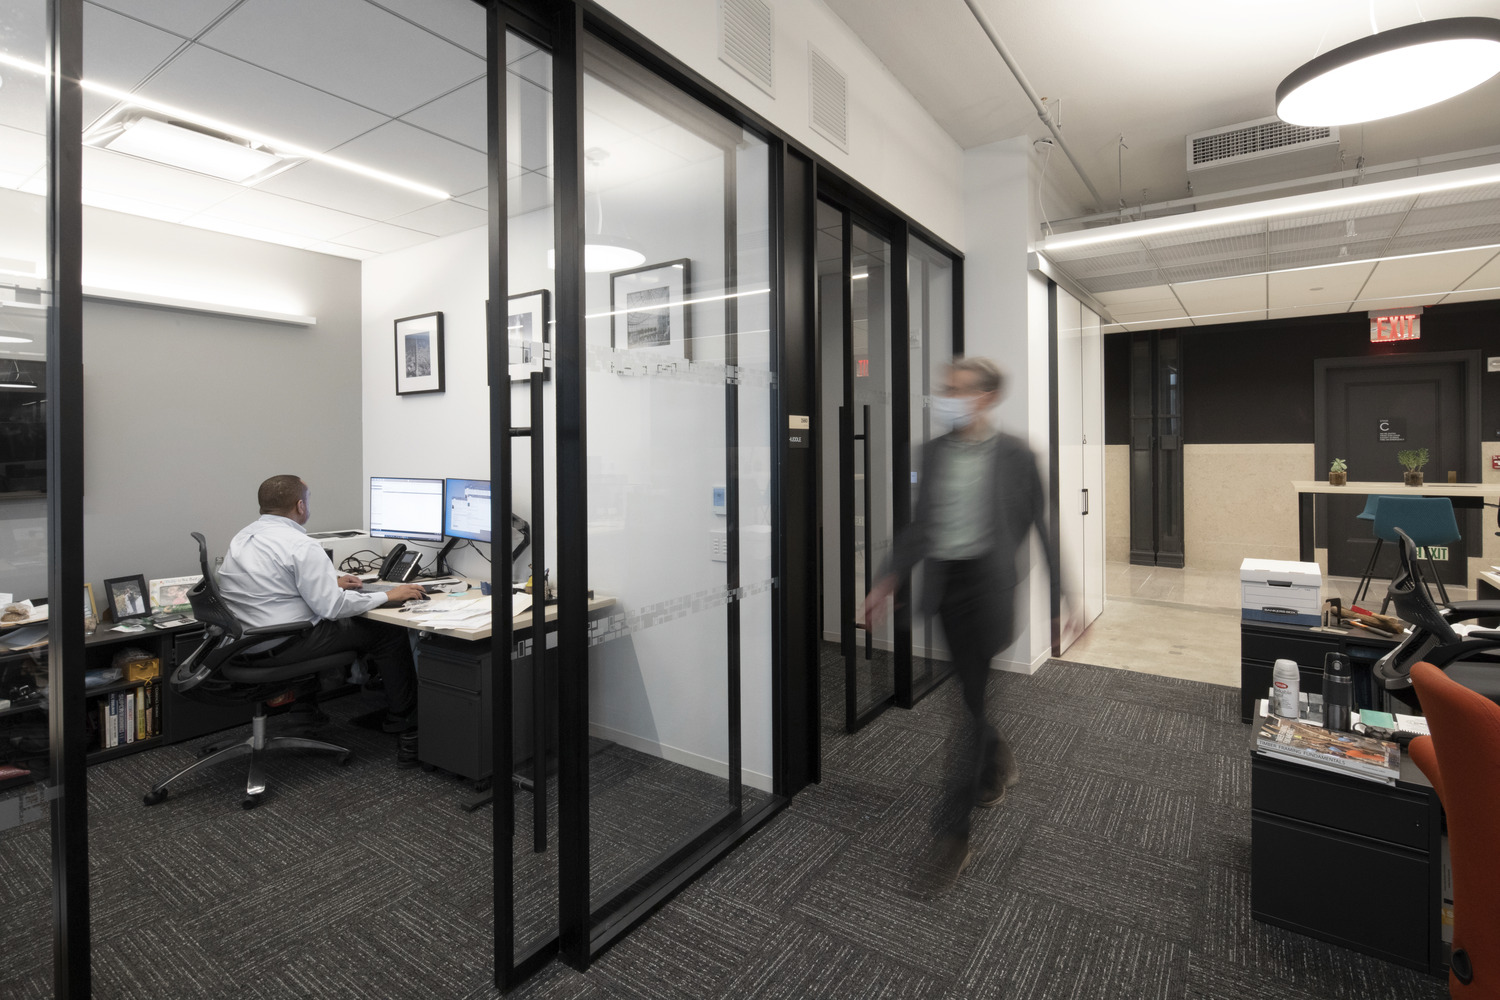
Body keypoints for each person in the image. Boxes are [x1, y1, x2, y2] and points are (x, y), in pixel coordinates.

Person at [863, 357, 1070, 888]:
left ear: (985, 397)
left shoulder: (1017, 456)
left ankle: (952, 830)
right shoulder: (931, 454)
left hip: (990, 588)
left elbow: (1040, 525)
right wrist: (887, 580)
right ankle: (996, 754)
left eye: (956, 390)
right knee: (972, 697)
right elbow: (919, 527)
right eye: (944, 389)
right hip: (947, 589)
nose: (946, 398)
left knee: (969, 706)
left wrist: (1058, 601)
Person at [217, 475, 426, 762]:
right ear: (300, 505)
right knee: (387, 633)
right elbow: (333, 608)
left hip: (243, 643)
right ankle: (408, 729)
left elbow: (270, 586)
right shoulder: (300, 544)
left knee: (328, 620)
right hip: (282, 643)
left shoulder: (244, 537)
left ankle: (305, 713)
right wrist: (389, 596)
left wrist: (329, 582)